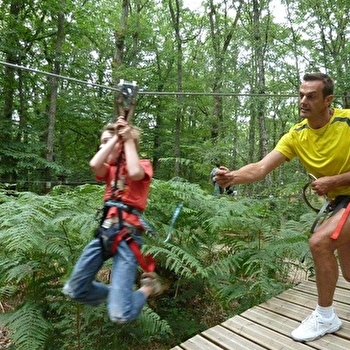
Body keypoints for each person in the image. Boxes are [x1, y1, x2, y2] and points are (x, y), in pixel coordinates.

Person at [215, 72, 350, 342]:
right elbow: (261, 168)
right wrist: (232, 177)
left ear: (328, 100)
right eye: (301, 95)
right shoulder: (296, 135)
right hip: (339, 204)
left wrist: (334, 180)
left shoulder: (347, 121)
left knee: (320, 243)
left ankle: (325, 317)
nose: (303, 101)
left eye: (311, 96)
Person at [62, 116, 165, 323]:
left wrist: (126, 139)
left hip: (128, 237)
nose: (103, 146)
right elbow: (94, 163)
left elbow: (135, 173)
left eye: (108, 141)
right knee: (73, 290)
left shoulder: (142, 164)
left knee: (120, 314)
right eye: (102, 142)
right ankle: (119, 295)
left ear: (125, 144)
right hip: (105, 234)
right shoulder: (109, 170)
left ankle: (147, 288)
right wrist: (113, 140)